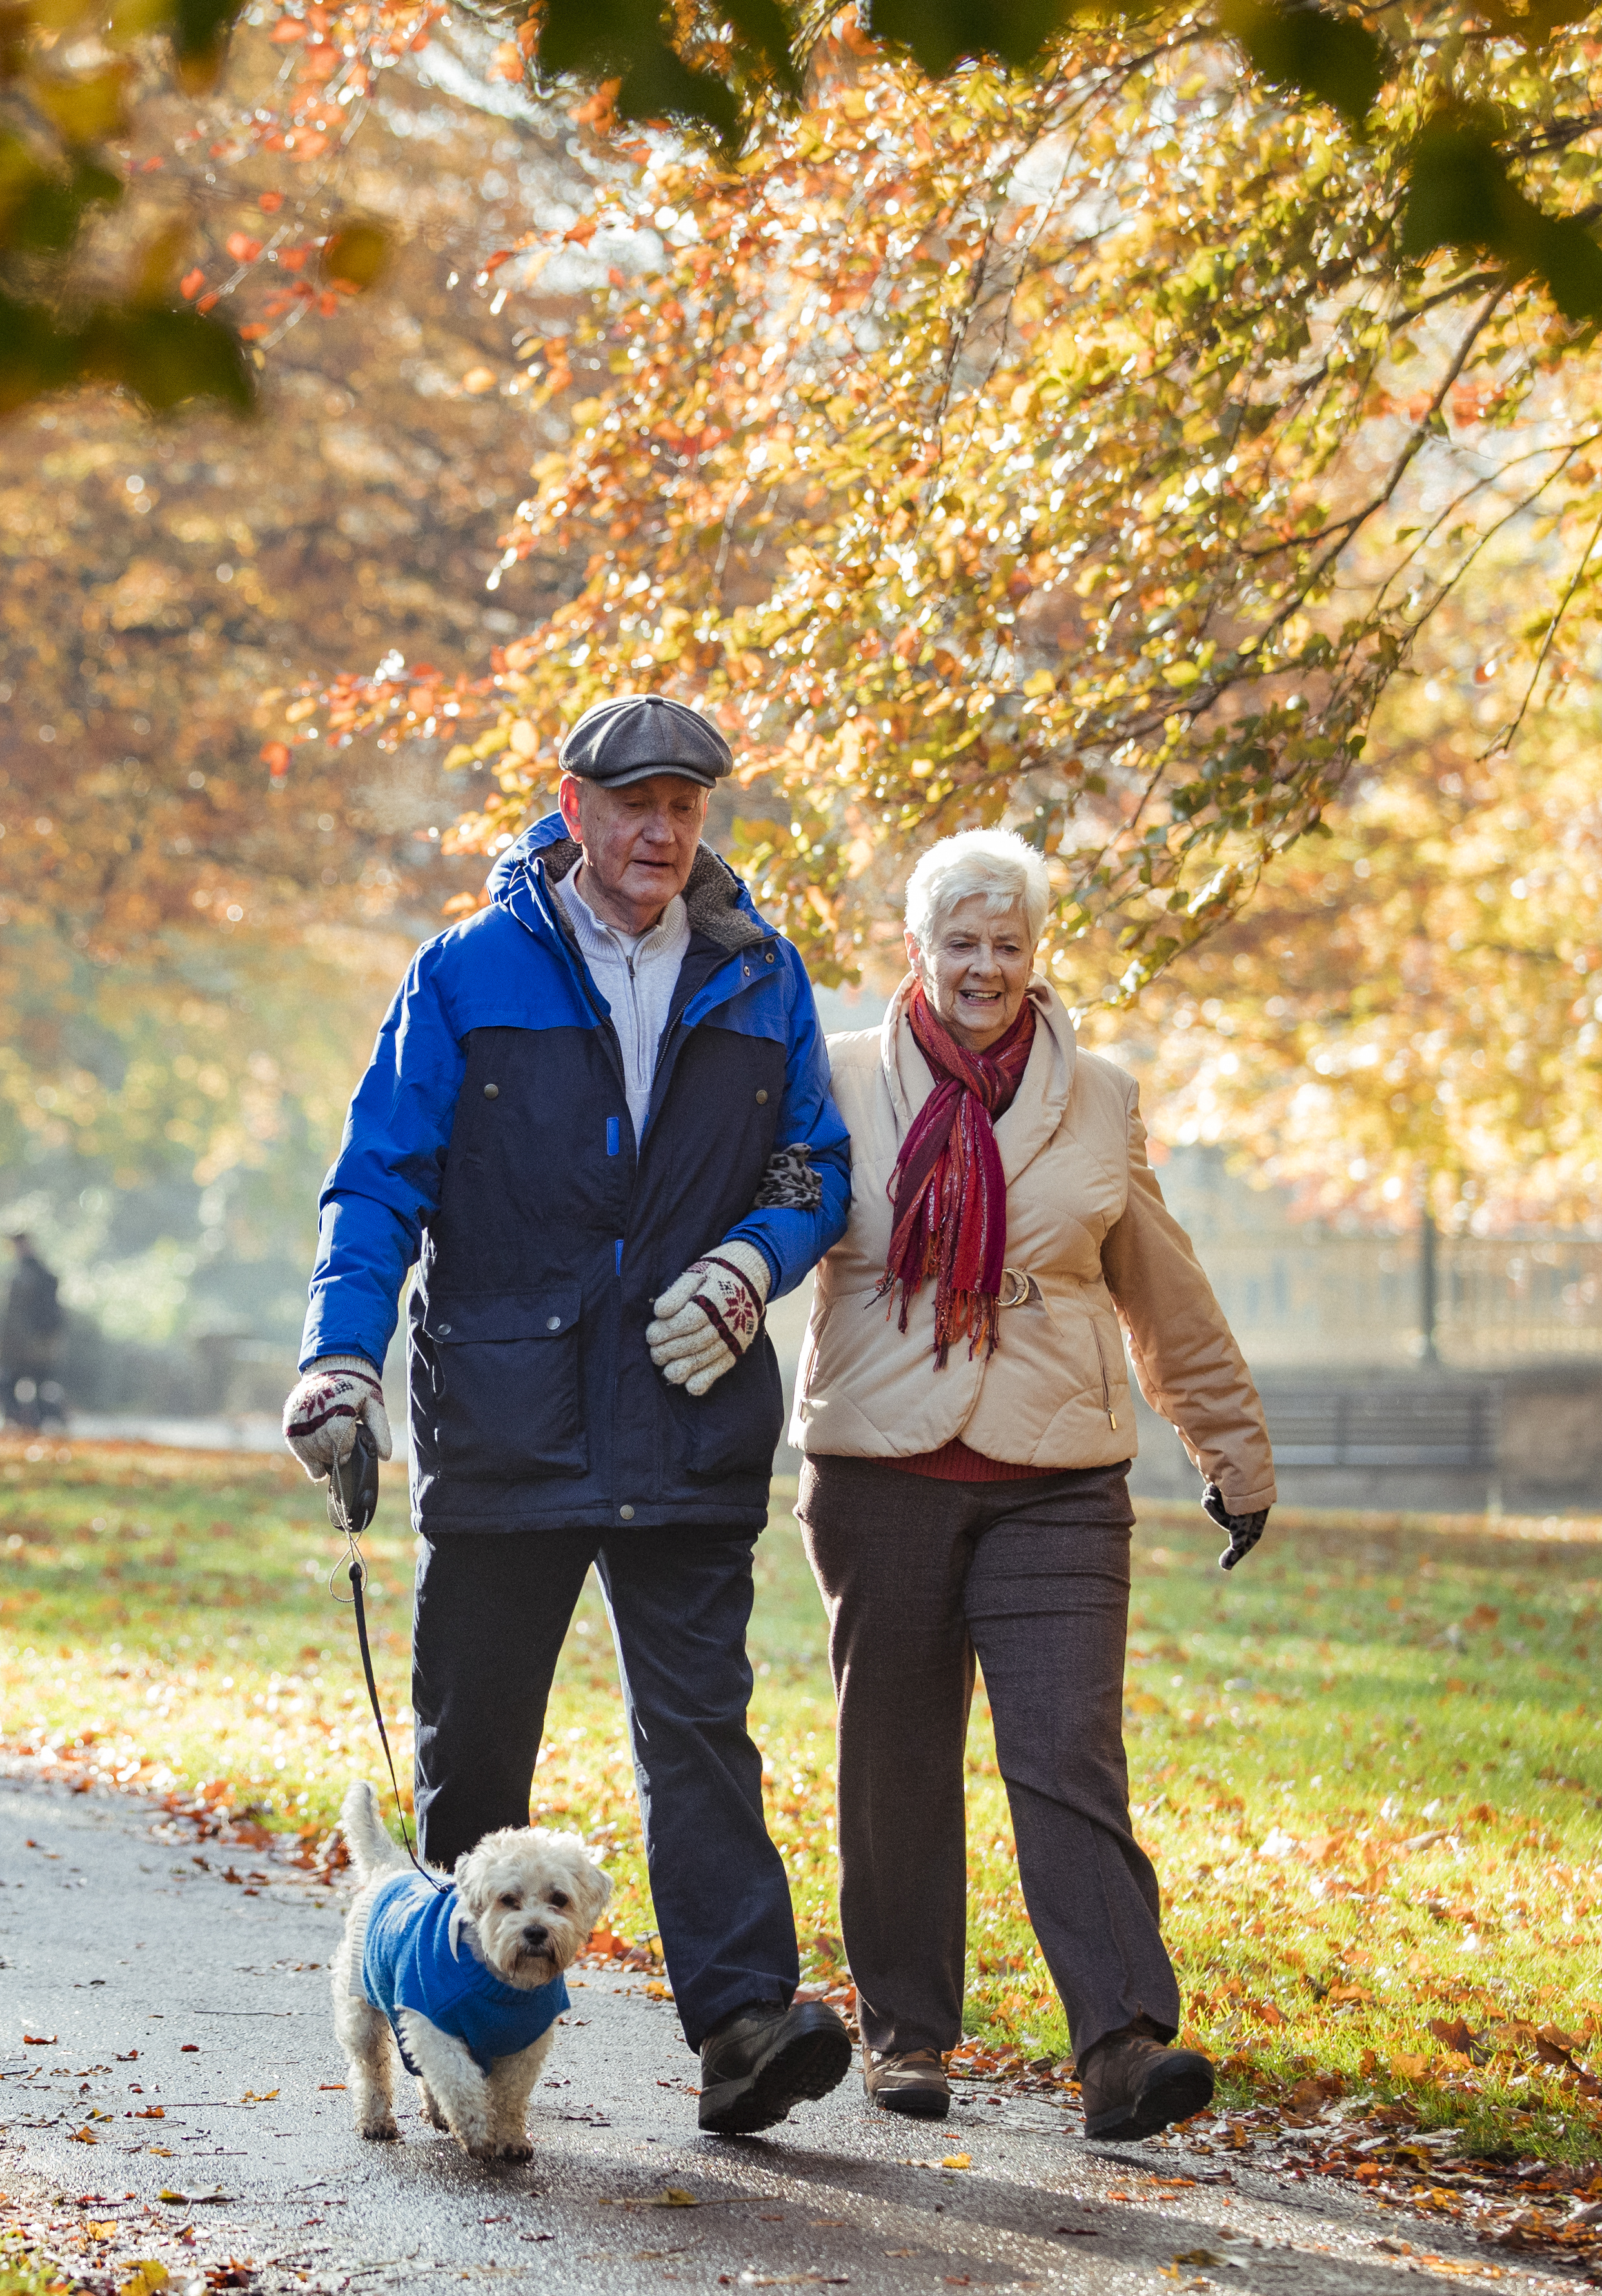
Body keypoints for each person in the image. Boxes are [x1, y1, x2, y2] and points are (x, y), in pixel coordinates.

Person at [285, 693, 862, 2137]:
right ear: (572, 806)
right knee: (472, 1750)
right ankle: (446, 2016)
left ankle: (740, 2027)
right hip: (505, 1418)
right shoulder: (465, 972)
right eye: (634, 803)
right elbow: (376, 1182)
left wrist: (748, 1270)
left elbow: (811, 1169)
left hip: (684, 1412)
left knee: (700, 1737)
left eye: (685, 804)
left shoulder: (756, 975)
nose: (661, 830)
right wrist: (336, 1361)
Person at [788, 828, 1274, 2139]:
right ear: (916, 948)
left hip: (1057, 1472)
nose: (982, 966)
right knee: (891, 1757)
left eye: (1006, 943)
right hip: (879, 1467)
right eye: (958, 941)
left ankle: (1118, 2042)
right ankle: (904, 2038)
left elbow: (1159, 1289)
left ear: (1035, 954)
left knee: (1064, 1750)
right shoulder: (832, 1079)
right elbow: (765, 1232)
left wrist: (1230, 1448)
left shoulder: (1099, 1094)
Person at [0, 1231, 69, 1432]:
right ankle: (35, 1423)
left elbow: (16, 1317)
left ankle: (27, 1423)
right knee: (37, 1385)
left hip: (28, 1347)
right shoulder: (41, 1274)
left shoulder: (27, 1276)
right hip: (40, 1345)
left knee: (18, 1385)